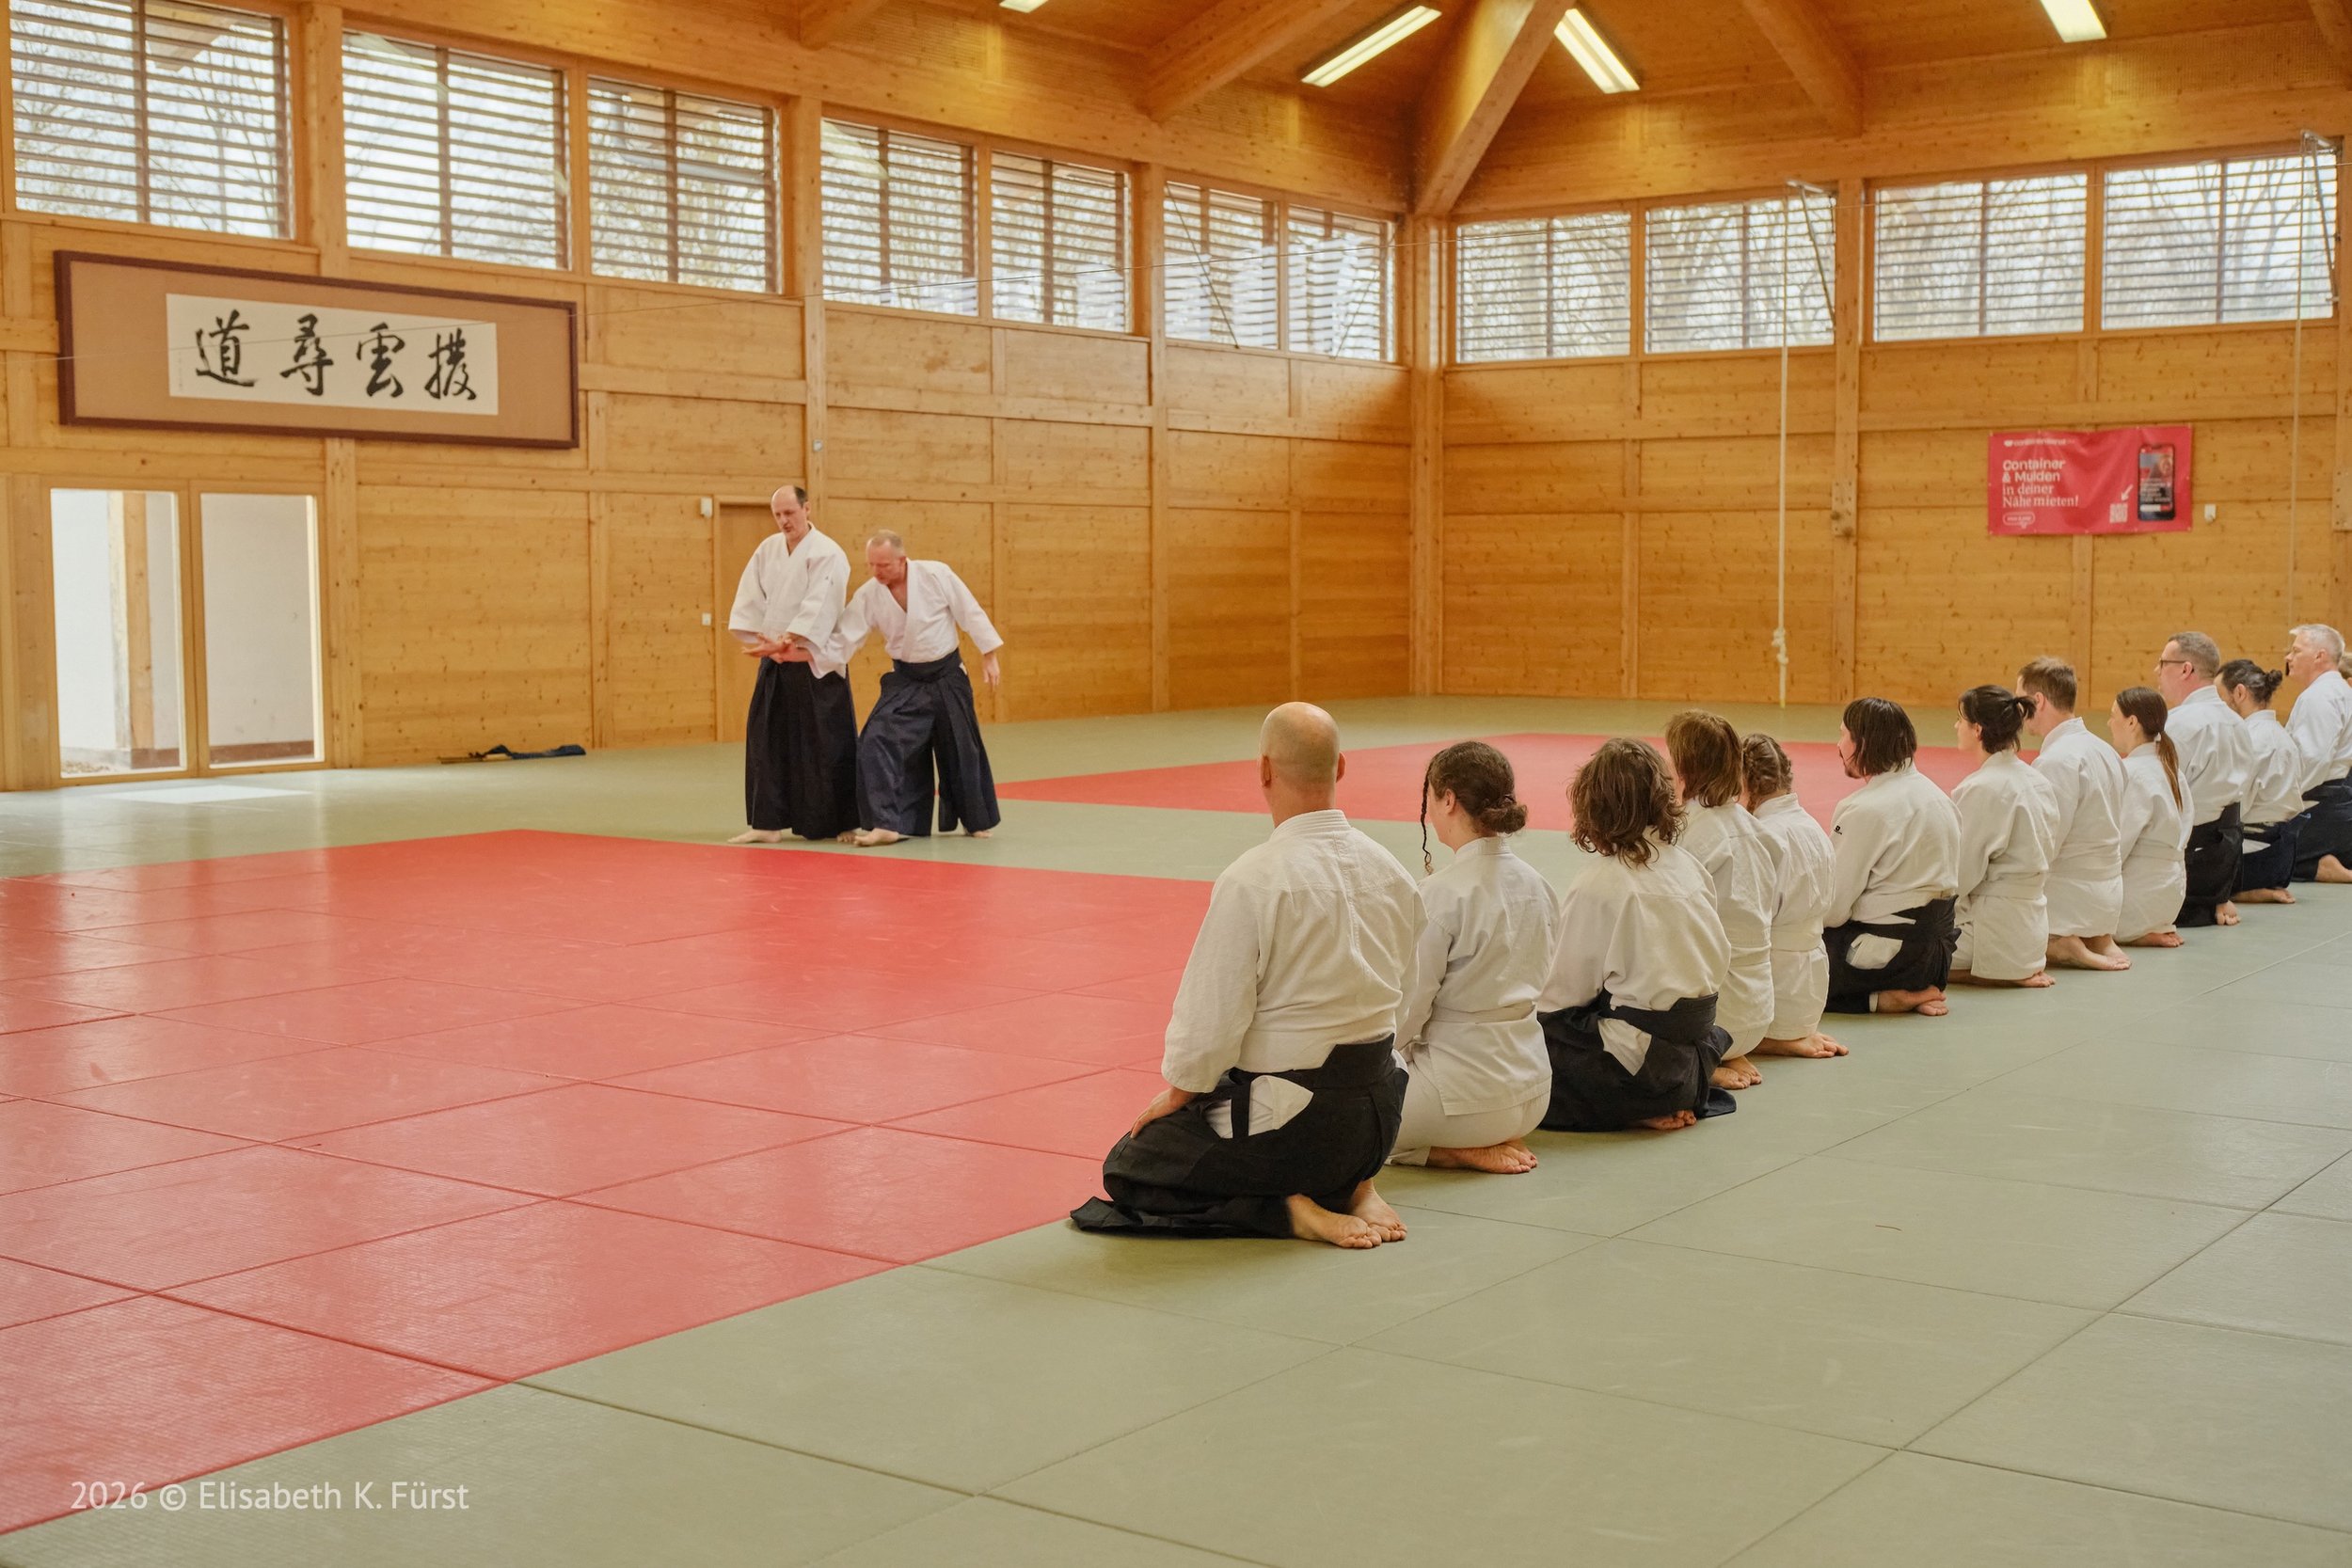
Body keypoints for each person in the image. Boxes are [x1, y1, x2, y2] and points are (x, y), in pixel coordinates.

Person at [1073, 705, 1420, 1248]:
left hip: (1298, 1128)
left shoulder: (1253, 880)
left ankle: (1288, 1212)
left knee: (1132, 1165)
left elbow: (1211, 1020)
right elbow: (1406, 1002)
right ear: (1341, 767)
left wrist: (1180, 1092)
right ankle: (1355, 1187)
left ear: (1263, 770)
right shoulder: (1394, 873)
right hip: (1379, 1123)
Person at [1535, 738, 1736, 1134]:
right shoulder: (1690, 867)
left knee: (1531, 1040)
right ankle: (1658, 1100)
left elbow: (1561, 997)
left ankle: (1633, 1108)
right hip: (1692, 1064)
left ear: (1594, 805)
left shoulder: (1600, 883)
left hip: (1637, 1072)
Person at [1389, 742, 1556, 1174]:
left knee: (1342, 1118)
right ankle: (1464, 1142)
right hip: (1534, 1094)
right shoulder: (1539, 886)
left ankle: (1448, 1150)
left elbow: (1410, 1010)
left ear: (1447, 799)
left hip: (1459, 1102)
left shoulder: (1440, 895)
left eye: (1430, 796)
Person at [831, 531, 1005, 847]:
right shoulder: (870, 594)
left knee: (961, 749)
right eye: (871, 565)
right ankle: (887, 823)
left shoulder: (936, 575)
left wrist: (989, 654)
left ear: (902, 559)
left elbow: (969, 611)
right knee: (875, 739)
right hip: (906, 679)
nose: (876, 571)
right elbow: (846, 636)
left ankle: (975, 821)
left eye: (883, 565)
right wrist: (807, 655)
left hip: (947, 675)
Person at [724, 486, 857, 845]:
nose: (784, 521)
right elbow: (750, 597)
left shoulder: (827, 552)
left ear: (806, 509)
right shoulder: (768, 549)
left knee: (824, 742)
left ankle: (840, 821)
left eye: (790, 513)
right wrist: (763, 640)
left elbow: (821, 604)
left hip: (814, 660)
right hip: (775, 658)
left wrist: (791, 638)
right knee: (766, 739)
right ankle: (767, 823)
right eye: (778, 515)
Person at [1822, 697, 1962, 1017]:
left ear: (1863, 743)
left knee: (1784, 970)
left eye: (1843, 735)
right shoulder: (1941, 800)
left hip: (1885, 962)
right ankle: (1903, 994)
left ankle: (1881, 1000)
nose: (1839, 745)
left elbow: (1833, 910)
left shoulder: (1863, 808)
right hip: (1937, 961)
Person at [1664, 712, 1774, 1090]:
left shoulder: (1688, 834)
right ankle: (1727, 1051)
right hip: (1758, 1012)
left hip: (1714, 1018)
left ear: (1684, 768)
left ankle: (1701, 1062)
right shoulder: (1755, 827)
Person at [2020, 656, 2132, 971]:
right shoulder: (2105, 750)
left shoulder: (2056, 760)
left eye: (2020, 700)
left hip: (2068, 899)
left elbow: (2046, 843)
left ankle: (2060, 944)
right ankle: (2100, 939)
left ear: (2038, 701)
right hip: (2108, 896)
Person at [1740, 734, 1845, 1060]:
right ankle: (1790, 1033)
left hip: (1772, 992)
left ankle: (1768, 1040)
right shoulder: (1814, 829)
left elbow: (1749, 924)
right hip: (1812, 988)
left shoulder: (1762, 836)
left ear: (1745, 784)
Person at [1948, 686, 2058, 988]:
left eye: (1960, 719)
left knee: (1903, 956)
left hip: (1991, 931)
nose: (1956, 726)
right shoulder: (2038, 780)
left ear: (1978, 730)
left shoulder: (1982, 788)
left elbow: (1961, 874)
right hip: (2032, 930)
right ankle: (2008, 970)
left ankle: (1997, 973)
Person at [2155, 632, 2249, 928]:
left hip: (2186, 863)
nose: (2157, 671)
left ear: (2186, 669)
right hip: (2225, 861)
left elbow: (2156, 799)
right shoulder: (2238, 723)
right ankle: (2215, 899)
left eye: (2163, 663)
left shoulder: (2178, 724)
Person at [2218, 658, 2303, 903]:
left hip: (2251, 861)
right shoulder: (2282, 735)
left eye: (2219, 697)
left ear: (2239, 693)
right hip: (2281, 858)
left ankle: (2241, 892)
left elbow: (2236, 809)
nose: (2217, 706)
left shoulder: (2251, 739)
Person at [2110, 687, 2188, 946]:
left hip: (2139, 899)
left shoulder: (2132, 772)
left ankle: (2136, 930)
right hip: (2171, 894)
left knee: (2068, 914)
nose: (2109, 724)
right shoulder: (2172, 770)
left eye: (2114, 716)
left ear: (2132, 722)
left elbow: (2119, 846)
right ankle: (2150, 927)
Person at [2281, 625, 2352, 883]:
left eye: (2296, 651)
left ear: (2319, 656)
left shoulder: (2319, 696)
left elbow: (2314, 760)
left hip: (2322, 810)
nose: (2289, 657)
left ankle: (2317, 865)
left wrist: (2282, 801)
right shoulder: (2339, 691)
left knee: (2257, 854)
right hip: (2338, 808)